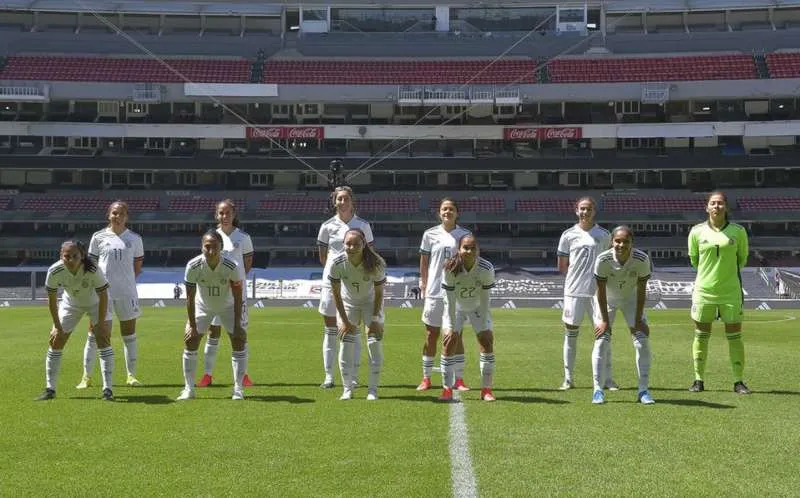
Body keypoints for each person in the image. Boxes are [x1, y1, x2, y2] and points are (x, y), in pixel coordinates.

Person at [688, 191, 750, 394]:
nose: (717, 206)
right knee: (701, 336)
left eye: (720, 203)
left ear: (726, 207)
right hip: (704, 292)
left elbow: (742, 259)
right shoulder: (696, 232)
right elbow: (694, 260)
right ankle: (698, 380)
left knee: (735, 336)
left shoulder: (738, 231)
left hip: (730, 291)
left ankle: (738, 381)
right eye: (713, 203)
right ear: (707, 207)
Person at [77, 201, 144, 390]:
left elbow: (137, 268)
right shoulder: (98, 237)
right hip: (102, 293)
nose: (118, 216)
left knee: (129, 334)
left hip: (127, 293)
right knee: (94, 333)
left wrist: (125, 282)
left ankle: (131, 375)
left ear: (127, 217)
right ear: (109, 215)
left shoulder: (135, 239)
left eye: (122, 213)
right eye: (114, 213)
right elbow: (90, 267)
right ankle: (86, 377)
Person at [37, 240, 114, 401]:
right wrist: (57, 327)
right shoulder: (54, 271)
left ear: (82, 255)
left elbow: (103, 295)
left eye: (75, 256)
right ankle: (50, 389)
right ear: (61, 256)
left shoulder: (93, 269)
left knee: (103, 338)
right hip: (71, 304)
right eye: (67, 256)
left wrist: (100, 323)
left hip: (96, 303)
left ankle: (108, 389)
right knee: (56, 340)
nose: (71, 260)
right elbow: (52, 301)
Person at [177, 230, 248, 401]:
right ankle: (189, 389)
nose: (211, 251)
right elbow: (190, 298)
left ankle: (238, 389)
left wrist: (238, 325)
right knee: (190, 340)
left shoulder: (232, 265)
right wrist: (192, 326)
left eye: (215, 247)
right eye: (207, 247)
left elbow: (238, 296)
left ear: (221, 247)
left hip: (228, 306)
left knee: (239, 340)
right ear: (201, 247)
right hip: (203, 306)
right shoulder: (193, 266)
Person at [317, 186, 374, 389]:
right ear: (334, 202)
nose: (342, 202)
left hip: (355, 285)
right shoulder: (326, 226)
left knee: (353, 330)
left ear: (352, 201)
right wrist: (335, 273)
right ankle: (329, 376)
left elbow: (370, 254)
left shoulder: (363, 226)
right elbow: (323, 256)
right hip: (331, 282)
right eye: (339, 199)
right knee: (330, 330)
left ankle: (353, 376)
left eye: (345, 199)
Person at [556, 196, 615, 390]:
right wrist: (578, 278)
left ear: (594, 211)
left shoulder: (604, 235)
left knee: (603, 335)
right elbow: (562, 266)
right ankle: (568, 379)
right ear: (576, 211)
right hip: (574, 292)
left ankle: (607, 379)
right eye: (582, 208)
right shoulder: (568, 235)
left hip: (598, 293)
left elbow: (610, 262)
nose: (585, 212)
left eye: (589, 209)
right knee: (571, 334)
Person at [591, 226, 654, 405]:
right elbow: (600, 291)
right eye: (617, 241)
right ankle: (597, 390)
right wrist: (604, 321)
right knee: (601, 341)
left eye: (626, 241)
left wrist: (638, 319)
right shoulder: (603, 259)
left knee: (642, 342)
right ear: (612, 242)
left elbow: (641, 290)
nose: (621, 245)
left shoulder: (642, 259)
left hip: (631, 300)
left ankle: (643, 390)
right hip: (607, 300)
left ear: (632, 243)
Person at [198, 199, 254, 388]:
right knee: (213, 333)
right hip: (215, 293)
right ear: (216, 215)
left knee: (239, 333)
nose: (224, 216)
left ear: (234, 214)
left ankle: (243, 375)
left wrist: (235, 283)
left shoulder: (243, 238)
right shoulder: (212, 237)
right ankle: (207, 375)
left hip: (236, 294)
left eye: (228, 212)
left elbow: (246, 265)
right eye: (221, 213)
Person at [417, 198, 471, 392]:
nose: (447, 212)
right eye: (444, 209)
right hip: (434, 291)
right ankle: (426, 378)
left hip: (457, 292)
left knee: (457, 335)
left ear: (457, 213)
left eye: (451, 209)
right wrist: (423, 283)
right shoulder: (429, 234)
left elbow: (471, 261)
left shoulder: (465, 235)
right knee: (431, 335)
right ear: (439, 213)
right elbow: (424, 261)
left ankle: (459, 379)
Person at [329, 229, 386, 401]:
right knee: (346, 342)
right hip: (349, 304)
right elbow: (336, 294)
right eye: (348, 244)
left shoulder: (376, 262)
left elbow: (379, 293)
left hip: (371, 303)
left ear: (364, 244)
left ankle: (373, 390)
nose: (352, 247)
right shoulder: (337, 263)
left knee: (374, 342)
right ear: (343, 244)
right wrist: (345, 322)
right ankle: (347, 389)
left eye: (356, 244)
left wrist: (375, 320)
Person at [439, 234, 496, 402]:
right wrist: (450, 326)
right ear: (459, 249)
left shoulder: (486, 268)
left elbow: (485, 299)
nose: (469, 251)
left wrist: (484, 324)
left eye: (473, 248)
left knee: (486, 341)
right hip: (456, 307)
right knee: (449, 341)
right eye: (465, 248)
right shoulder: (450, 267)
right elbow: (449, 300)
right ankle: (447, 390)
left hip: (477, 307)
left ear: (478, 250)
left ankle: (486, 390)